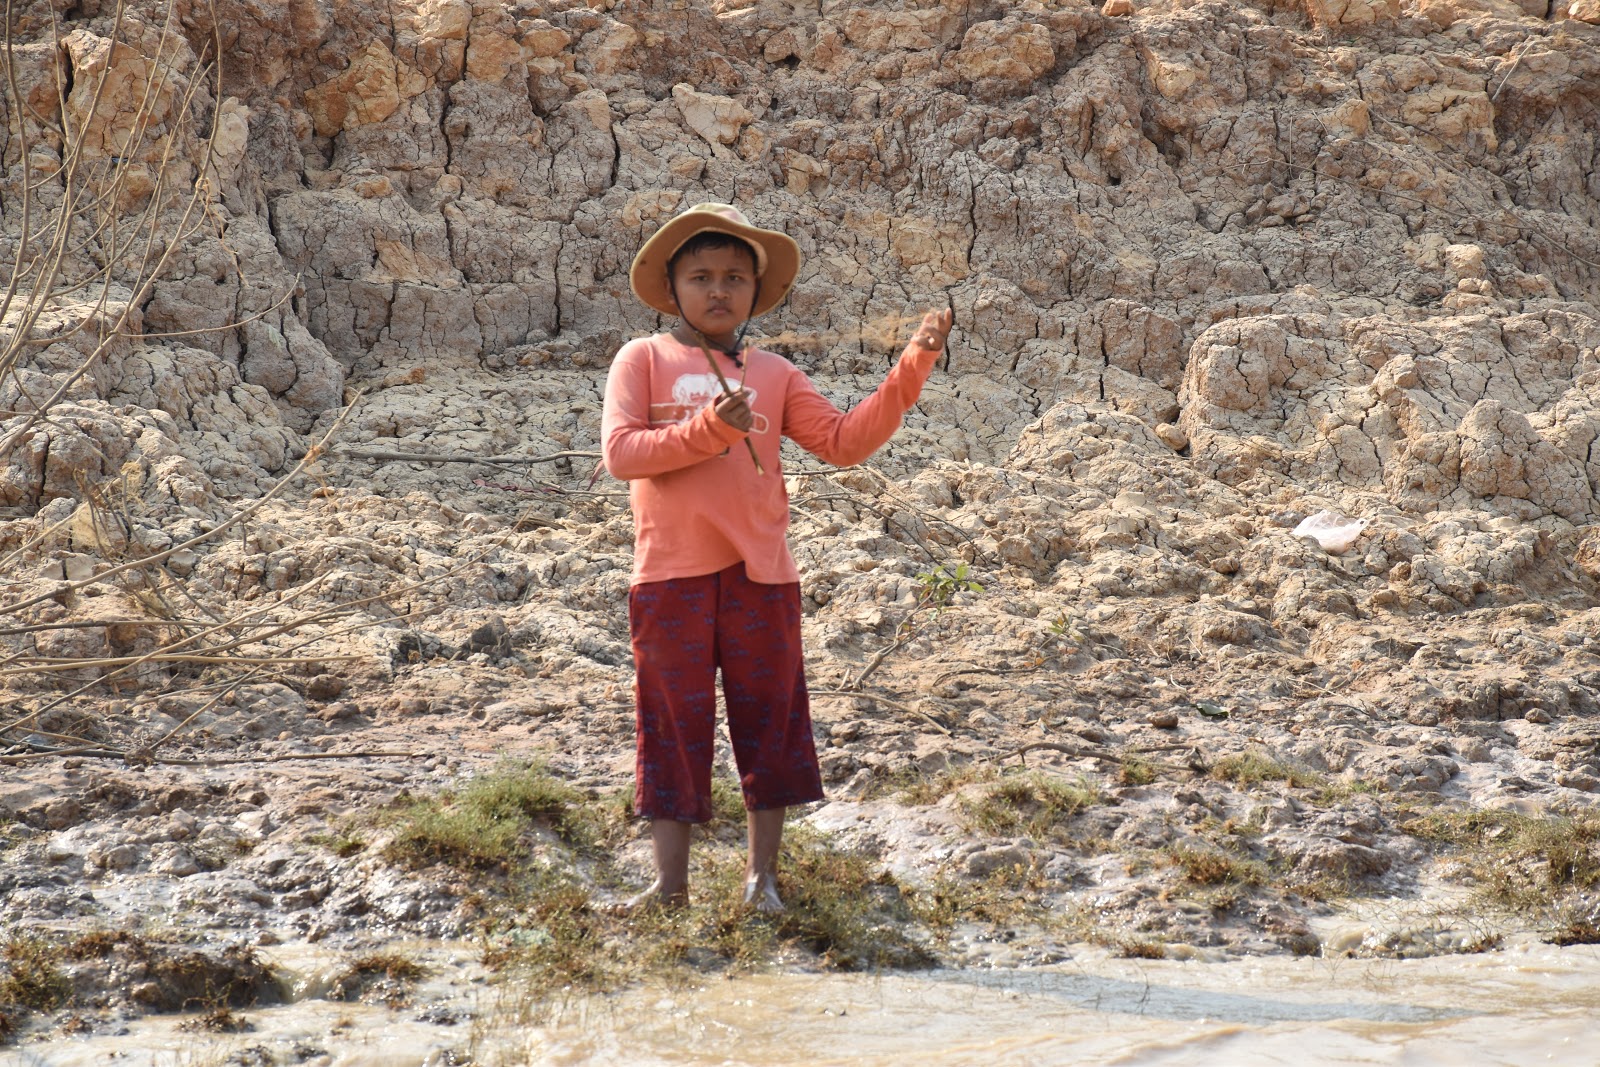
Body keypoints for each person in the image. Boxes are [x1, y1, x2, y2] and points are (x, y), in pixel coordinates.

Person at [601, 202, 953, 913]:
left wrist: (913, 364)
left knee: (772, 724)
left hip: (763, 578)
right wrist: (707, 429)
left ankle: (762, 880)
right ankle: (670, 888)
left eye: (735, 277)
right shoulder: (641, 359)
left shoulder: (775, 372)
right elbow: (621, 454)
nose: (718, 290)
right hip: (669, 578)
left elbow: (845, 442)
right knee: (672, 727)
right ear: (671, 290)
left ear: (758, 293)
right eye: (700, 276)